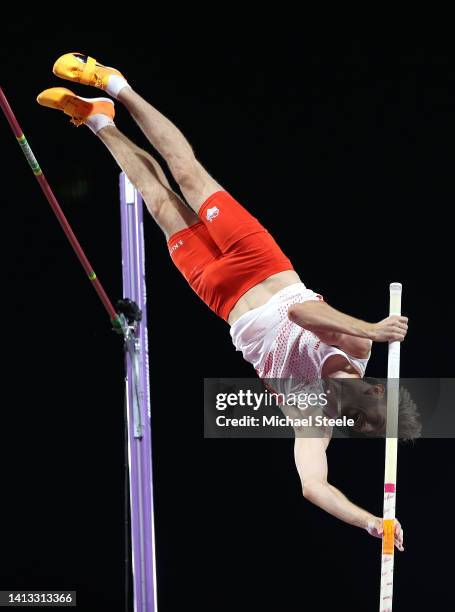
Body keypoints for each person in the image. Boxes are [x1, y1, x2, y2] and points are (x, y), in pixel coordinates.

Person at [37, 52, 409, 551]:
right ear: (375, 392)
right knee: (187, 174)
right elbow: (300, 311)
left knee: (158, 200)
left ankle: (98, 120)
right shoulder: (357, 351)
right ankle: (116, 84)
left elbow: (313, 486)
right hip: (260, 262)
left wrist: (370, 523)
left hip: (223, 294)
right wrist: (371, 330)